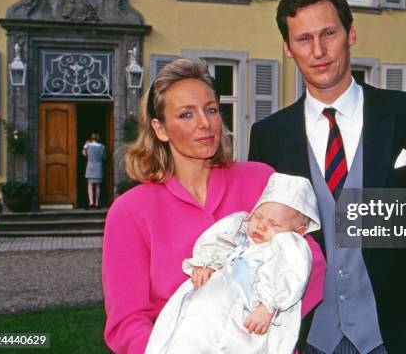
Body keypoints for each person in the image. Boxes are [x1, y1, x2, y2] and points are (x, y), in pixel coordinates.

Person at [249, 0, 406, 354]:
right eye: (303, 39)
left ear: (351, 34)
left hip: (395, 334)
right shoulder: (269, 136)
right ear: (287, 48)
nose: (318, 50)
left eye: (329, 32)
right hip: (308, 336)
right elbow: (261, 249)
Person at [102, 58, 325, 354]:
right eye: (185, 114)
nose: (205, 123)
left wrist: (269, 318)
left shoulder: (260, 180)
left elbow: (313, 262)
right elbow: (126, 322)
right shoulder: (130, 211)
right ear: (160, 129)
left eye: (211, 109)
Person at [145, 173, 321, 354]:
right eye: (258, 216)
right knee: (190, 331)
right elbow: (220, 241)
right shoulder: (240, 232)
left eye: (273, 224)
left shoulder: (286, 248)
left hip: (250, 310)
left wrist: (267, 307)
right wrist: (206, 264)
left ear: (298, 232)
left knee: (239, 341)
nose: (261, 225)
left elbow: (289, 273)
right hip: (212, 303)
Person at [82, 133, 106, 208]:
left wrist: (85, 146)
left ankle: (91, 202)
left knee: (90, 185)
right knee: (97, 185)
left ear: (91, 138)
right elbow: (104, 156)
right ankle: (96, 203)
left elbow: (84, 154)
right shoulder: (102, 147)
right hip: (98, 166)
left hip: (90, 166)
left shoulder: (88, 146)